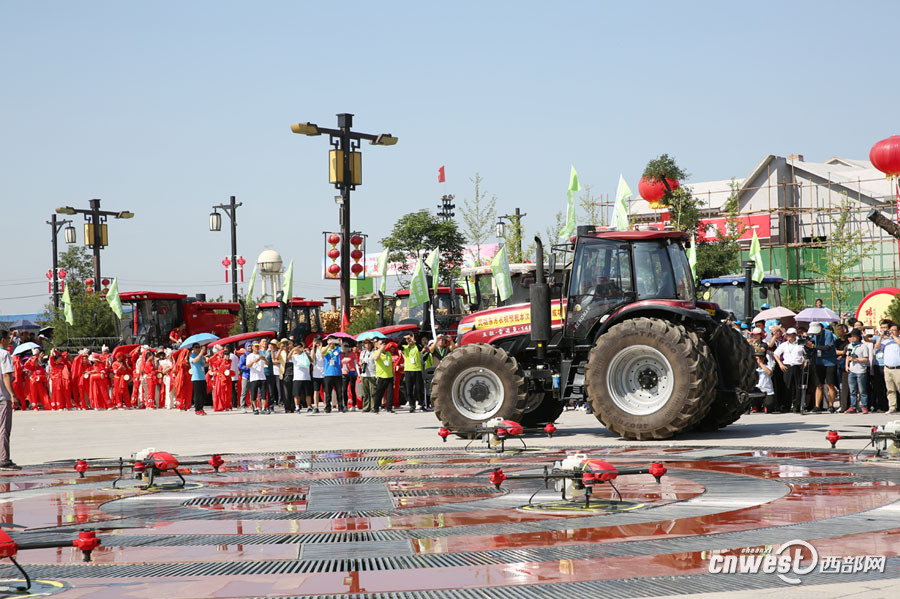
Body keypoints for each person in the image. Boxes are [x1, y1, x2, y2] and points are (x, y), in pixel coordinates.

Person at [773, 328, 807, 414]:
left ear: (795, 335)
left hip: (797, 366)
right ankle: (786, 406)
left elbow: (806, 352)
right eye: (788, 334)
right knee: (787, 387)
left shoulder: (800, 343)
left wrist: (805, 360)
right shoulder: (784, 344)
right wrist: (780, 364)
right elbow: (776, 354)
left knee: (797, 387)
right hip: (787, 366)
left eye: (792, 334)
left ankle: (797, 406)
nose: (789, 336)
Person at [0, 331, 21, 469]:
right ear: (2, 340)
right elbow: (7, 376)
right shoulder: (4, 354)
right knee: (3, 428)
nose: (10, 340)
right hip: (2, 396)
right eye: (8, 338)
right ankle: (3, 459)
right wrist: (13, 395)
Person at [808, 322, 837, 412]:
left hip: (829, 362)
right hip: (818, 362)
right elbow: (811, 346)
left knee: (830, 384)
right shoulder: (814, 336)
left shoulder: (828, 333)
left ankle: (831, 405)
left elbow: (828, 347)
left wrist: (814, 347)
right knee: (818, 385)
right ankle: (817, 406)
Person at [845, 328, 870, 413]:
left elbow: (866, 359)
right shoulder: (850, 345)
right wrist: (846, 365)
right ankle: (853, 406)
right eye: (851, 336)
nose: (852, 338)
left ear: (859, 337)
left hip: (861, 370)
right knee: (852, 390)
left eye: (854, 336)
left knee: (862, 390)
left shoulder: (863, 346)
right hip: (852, 370)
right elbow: (847, 357)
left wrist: (856, 360)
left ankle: (864, 406)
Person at [401, 333, 425, 412]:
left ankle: (421, 404)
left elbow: (420, 348)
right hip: (408, 370)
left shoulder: (416, 347)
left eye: (410, 338)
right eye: (408, 339)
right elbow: (399, 346)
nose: (409, 340)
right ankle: (412, 405)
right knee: (409, 389)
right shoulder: (405, 348)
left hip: (417, 370)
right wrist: (404, 338)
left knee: (418, 388)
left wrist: (414, 340)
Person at [872, 319, 893, 412]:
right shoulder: (877, 338)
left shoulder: (893, 338)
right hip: (878, 365)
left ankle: (891, 405)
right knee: (879, 387)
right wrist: (880, 336)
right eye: (882, 328)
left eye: (885, 328)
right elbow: (876, 346)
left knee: (889, 387)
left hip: (888, 365)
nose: (883, 329)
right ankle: (881, 405)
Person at [321, 337, 344, 412]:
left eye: (333, 341)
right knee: (328, 392)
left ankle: (341, 407)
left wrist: (341, 343)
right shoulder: (325, 349)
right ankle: (327, 407)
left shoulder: (338, 348)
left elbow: (343, 350)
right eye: (330, 341)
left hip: (337, 373)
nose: (332, 343)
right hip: (328, 374)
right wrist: (328, 345)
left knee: (339, 392)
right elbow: (322, 352)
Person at [372, 337, 395, 413]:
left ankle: (389, 408)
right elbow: (376, 358)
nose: (383, 345)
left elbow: (391, 364)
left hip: (389, 376)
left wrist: (393, 374)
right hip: (381, 376)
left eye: (383, 344)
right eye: (380, 344)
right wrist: (380, 350)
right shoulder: (376, 352)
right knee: (379, 393)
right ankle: (376, 408)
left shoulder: (388, 353)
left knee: (390, 393)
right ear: (377, 345)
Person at [880, 324, 900, 413]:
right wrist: (881, 336)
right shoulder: (886, 341)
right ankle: (892, 407)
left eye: (893, 330)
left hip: (897, 368)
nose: (891, 331)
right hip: (887, 368)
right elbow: (877, 347)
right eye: (890, 330)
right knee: (890, 389)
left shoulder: (898, 339)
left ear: (898, 332)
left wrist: (894, 337)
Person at [290, 342, 313, 413]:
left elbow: (311, 361)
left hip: (306, 377)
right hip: (297, 378)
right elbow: (288, 357)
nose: (299, 349)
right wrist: (292, 350)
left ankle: (309, 407)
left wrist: (306, 353)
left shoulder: (305, 354)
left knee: (308, 394)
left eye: (300, 347)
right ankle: (297, 407)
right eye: (297, 347)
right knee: (297, 394)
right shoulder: (294, 356)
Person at [358, 339, 377, 413]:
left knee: (373, 392)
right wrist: (361, 363)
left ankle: (373, 406)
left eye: (369, 343)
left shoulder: (374, 352)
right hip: (364, 373)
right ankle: (366, 407)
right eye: (365, 343)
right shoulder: (363, 352)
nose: (367, 344)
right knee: (365, 392)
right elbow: (360, 361)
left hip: (372, 373)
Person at [754, 348, 776, 413]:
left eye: (759, 358)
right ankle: (755, 407)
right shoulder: (753, 368)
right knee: (755, 405)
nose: (757, 361)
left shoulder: (768, 366)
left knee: (768, 407)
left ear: (763, 359)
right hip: (756, 391)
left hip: (767, 391)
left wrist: (760, 364)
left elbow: (769, 372)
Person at [189, 344, 208, 415]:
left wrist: (205, 361)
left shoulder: (202, 356)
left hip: (202, 377)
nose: (198, 349)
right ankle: (197, 409)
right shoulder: (192, 356)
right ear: (193, 349)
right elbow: (195, 361)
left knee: (203, 394)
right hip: (196, 378)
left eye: (199, 347)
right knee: (197, 394)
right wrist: (201, 353)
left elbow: (206, 365)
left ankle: (201, 408)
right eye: (196, 347)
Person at [341, 343, 359, 411]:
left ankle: (354, 405)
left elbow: (356, 363)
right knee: (344, 390)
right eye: (345, 347)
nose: (346, 348)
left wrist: (358, 373)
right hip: (344, 373)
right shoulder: (341, 354)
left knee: (352, 389)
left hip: (352, 372)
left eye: (347, 347)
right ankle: (345, 405)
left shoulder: (352, 354)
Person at [279, 340, 294, 413]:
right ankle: (287, 407)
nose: (286, 346)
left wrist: (292, 347)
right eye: (284, 345)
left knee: (293, 391)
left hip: (294, 373)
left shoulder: (293, 351)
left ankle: (293, 407)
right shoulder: (281, 352)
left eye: (287, 344)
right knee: (286, 392)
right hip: (285, 373)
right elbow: (275, 357)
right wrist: (280, 349)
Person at [311, 339, 325, 413]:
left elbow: (323, 358)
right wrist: (313, 347)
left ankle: (326, 405)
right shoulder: (313, 350)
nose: (317, 344)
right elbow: (312, 358)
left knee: (325, 391)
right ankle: (316, 406)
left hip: (324, 372)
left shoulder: (324, 350)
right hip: (316, 373)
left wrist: (320, 348)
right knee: (316, 391)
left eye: (318, 342)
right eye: (316, 342)